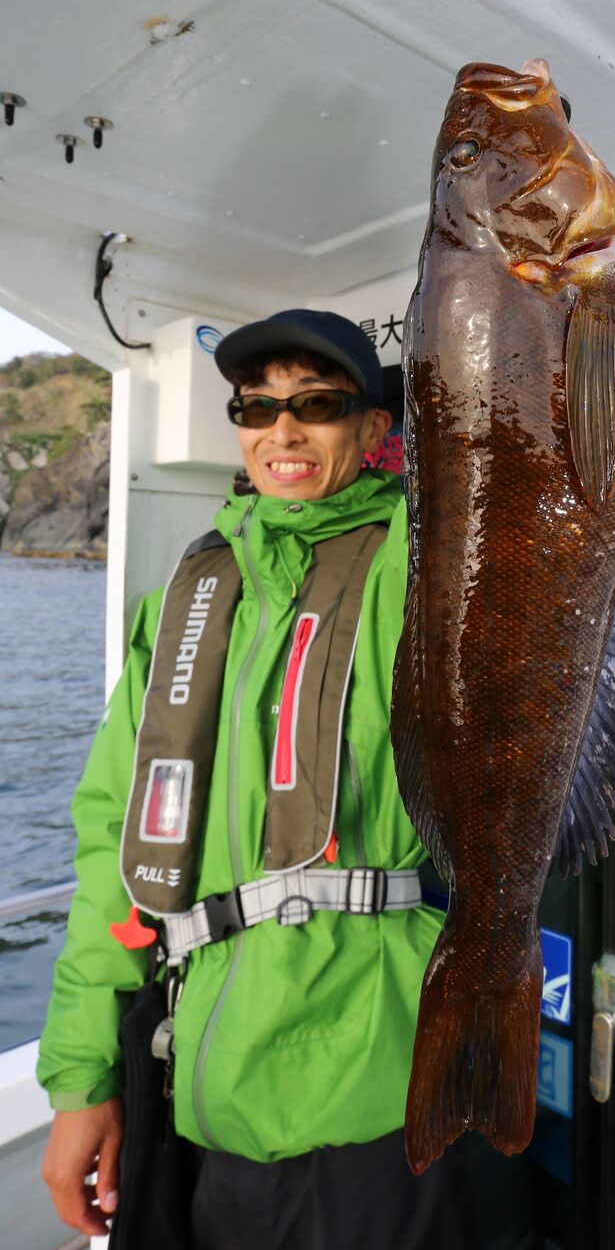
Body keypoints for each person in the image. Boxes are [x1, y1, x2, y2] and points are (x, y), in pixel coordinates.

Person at [38, 310, 472, 1249]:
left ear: (370, 428)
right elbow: (115, 839)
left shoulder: (429, 566)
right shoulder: (188, 594)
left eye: (318, 404)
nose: (283, 429)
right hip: (207, 1089)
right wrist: (82, 1081)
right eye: (258, 405)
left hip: (381, 1084)